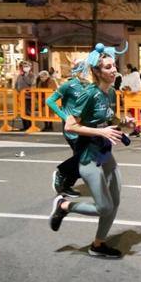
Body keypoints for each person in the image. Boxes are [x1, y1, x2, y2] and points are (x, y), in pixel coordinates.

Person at [48, 50, 135, 259]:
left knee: (114, 202)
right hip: (89, 157)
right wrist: (100, 131)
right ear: (96, 71)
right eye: (108, 67)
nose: (114, 70)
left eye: (114, 65)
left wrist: (123, 123)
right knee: (104, 207)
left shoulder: (110, 92)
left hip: (106, 154)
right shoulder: (89, 93)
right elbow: (70, 125)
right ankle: (64, 205)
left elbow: (108, 118)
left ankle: (98, 244)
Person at [46, 61, 89, 197]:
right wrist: (65, 117)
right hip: (71, 129)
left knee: (84, 158)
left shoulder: (88, 86)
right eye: (85, 70)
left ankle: (66, 181)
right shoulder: (68, 85)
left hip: (84, 127)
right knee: (82, 158)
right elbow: (50, 101)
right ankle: (62, 177)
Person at [14, 62, 36, 130]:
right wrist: (17, 90)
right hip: (21, 96)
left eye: (27, 66)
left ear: (30, 67)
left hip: (29, 97)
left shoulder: (32, 75)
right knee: (22, 112)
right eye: (24, 66)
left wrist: (24, 76)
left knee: (28, 111)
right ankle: (25, 126)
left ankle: (30, 125)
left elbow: (30, 83)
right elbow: (16, 84)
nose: (25, 67)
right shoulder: (20, 75)